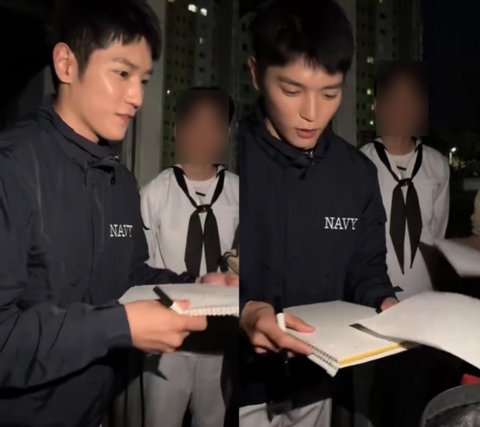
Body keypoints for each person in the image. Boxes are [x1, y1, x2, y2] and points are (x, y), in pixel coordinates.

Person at [0, 1, 232, 426]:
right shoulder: (12, 169)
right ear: (67, 64)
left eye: (143, 80)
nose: (137, 97)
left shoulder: (121, 183)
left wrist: (195, 286)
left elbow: (129, 278)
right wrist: (119, 326)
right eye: (122, 74)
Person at [237, 0, 398, 425]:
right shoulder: (232, 159)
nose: (312, 114)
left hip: (317, 378)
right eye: (292, 91)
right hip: (240, 385)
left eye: (330, 93)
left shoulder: (356, 173)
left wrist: (384, 301)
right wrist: (244, 310)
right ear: (255, 73)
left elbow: (366, 267)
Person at [140, 87, 239, 427]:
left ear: (226, 133)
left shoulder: (240, 192)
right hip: (167, 336)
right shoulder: (154, 193)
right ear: (176, 130)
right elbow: (141, 268)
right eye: (194, 124)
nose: (203, 135)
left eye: (214, 126)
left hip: (221, 336)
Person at [361, 61, 450, 299]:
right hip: (374, 295)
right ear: (376, 105)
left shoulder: (437, 165)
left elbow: (437, 232)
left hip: (424, 292)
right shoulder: (360, 163)